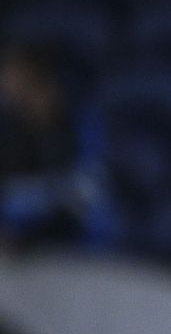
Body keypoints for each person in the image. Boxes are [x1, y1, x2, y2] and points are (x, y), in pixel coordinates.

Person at [0, 42, 109, 249]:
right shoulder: (12, 129)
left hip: (80, 248)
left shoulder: (81, 124)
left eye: (12, 77)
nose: (6, 85)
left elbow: (86, 194)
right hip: (25, 249)